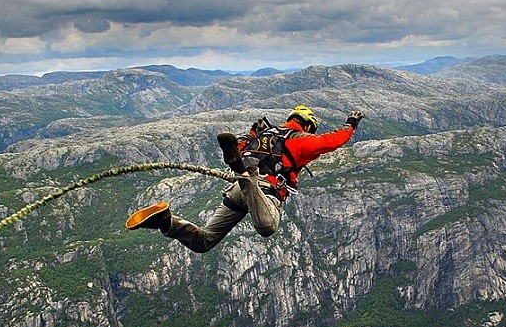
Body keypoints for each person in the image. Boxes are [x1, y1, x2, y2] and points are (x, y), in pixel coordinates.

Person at [125, 105, 365, 252]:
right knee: (267, 227)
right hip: (261, 190)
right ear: (308, 126)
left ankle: (166, 222)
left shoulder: (263, 134)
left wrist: (251, 133)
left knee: (203, 242)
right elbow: (332, 141)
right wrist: (351, 125)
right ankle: (244, 174)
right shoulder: (301, 140)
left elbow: (239, 144)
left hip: (236, 193)